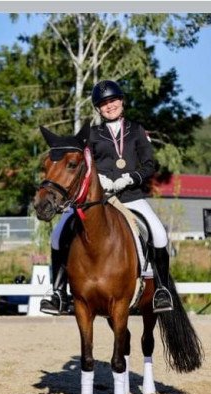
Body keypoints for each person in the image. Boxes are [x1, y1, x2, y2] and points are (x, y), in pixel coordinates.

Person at [40, 79, 173, 315]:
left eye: (112, 100)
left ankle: (162, 290)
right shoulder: (91, 134)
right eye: (103, 103)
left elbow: (150, 163)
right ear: (98, 108)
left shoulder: (137, 130)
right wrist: (100, 180)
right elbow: (83, 164)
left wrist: (130, 178)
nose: (109, 106)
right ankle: (58, 292)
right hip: (98, 198)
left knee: (159, 234)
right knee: (58, 236)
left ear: (121, 101)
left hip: (131, 195)